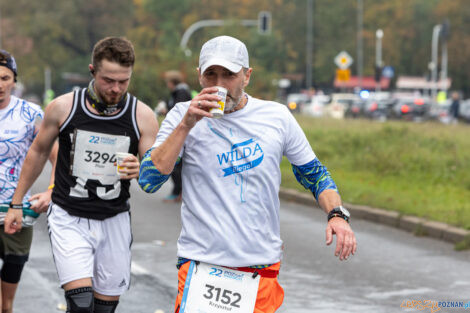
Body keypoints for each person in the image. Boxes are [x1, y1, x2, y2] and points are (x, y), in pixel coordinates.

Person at [138, 35, 357, 313]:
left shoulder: (276, 117)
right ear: (199, 77)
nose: (219, 84)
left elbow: (314, 174)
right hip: (201, 263)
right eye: (210, 75)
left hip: (259, 265)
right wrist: (186, 125)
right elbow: (148, 180)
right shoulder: (182, 115)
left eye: (228, 75)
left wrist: (337, 215)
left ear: (247, 76)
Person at [4, 37, 158, 313]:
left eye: (124, 81)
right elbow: (38, 152)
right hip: (69, 215)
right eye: (108, 80)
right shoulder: (64, 107)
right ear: (92, 71)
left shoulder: (142, 115)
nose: (116, 88)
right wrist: (17, 203)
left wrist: (140, 169)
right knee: (81, 304)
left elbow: (152, 177)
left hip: (114, 218)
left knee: (103, 309)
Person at [0, 49, 57, 313]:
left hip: (16, 209)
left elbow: (58, 157)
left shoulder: (31, 113)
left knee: (10, 285)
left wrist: (50, 191)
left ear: (14, 80)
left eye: (4, 77)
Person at [162, 70, 192, 202]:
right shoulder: (179, 92)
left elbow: (179, 113)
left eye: (167, 82)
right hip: (177, 131)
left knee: (176, 164)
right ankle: (179, 191)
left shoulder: (181, 92)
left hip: (180, 132)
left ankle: (179, 192)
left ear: (171, 82)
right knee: (177, 164)